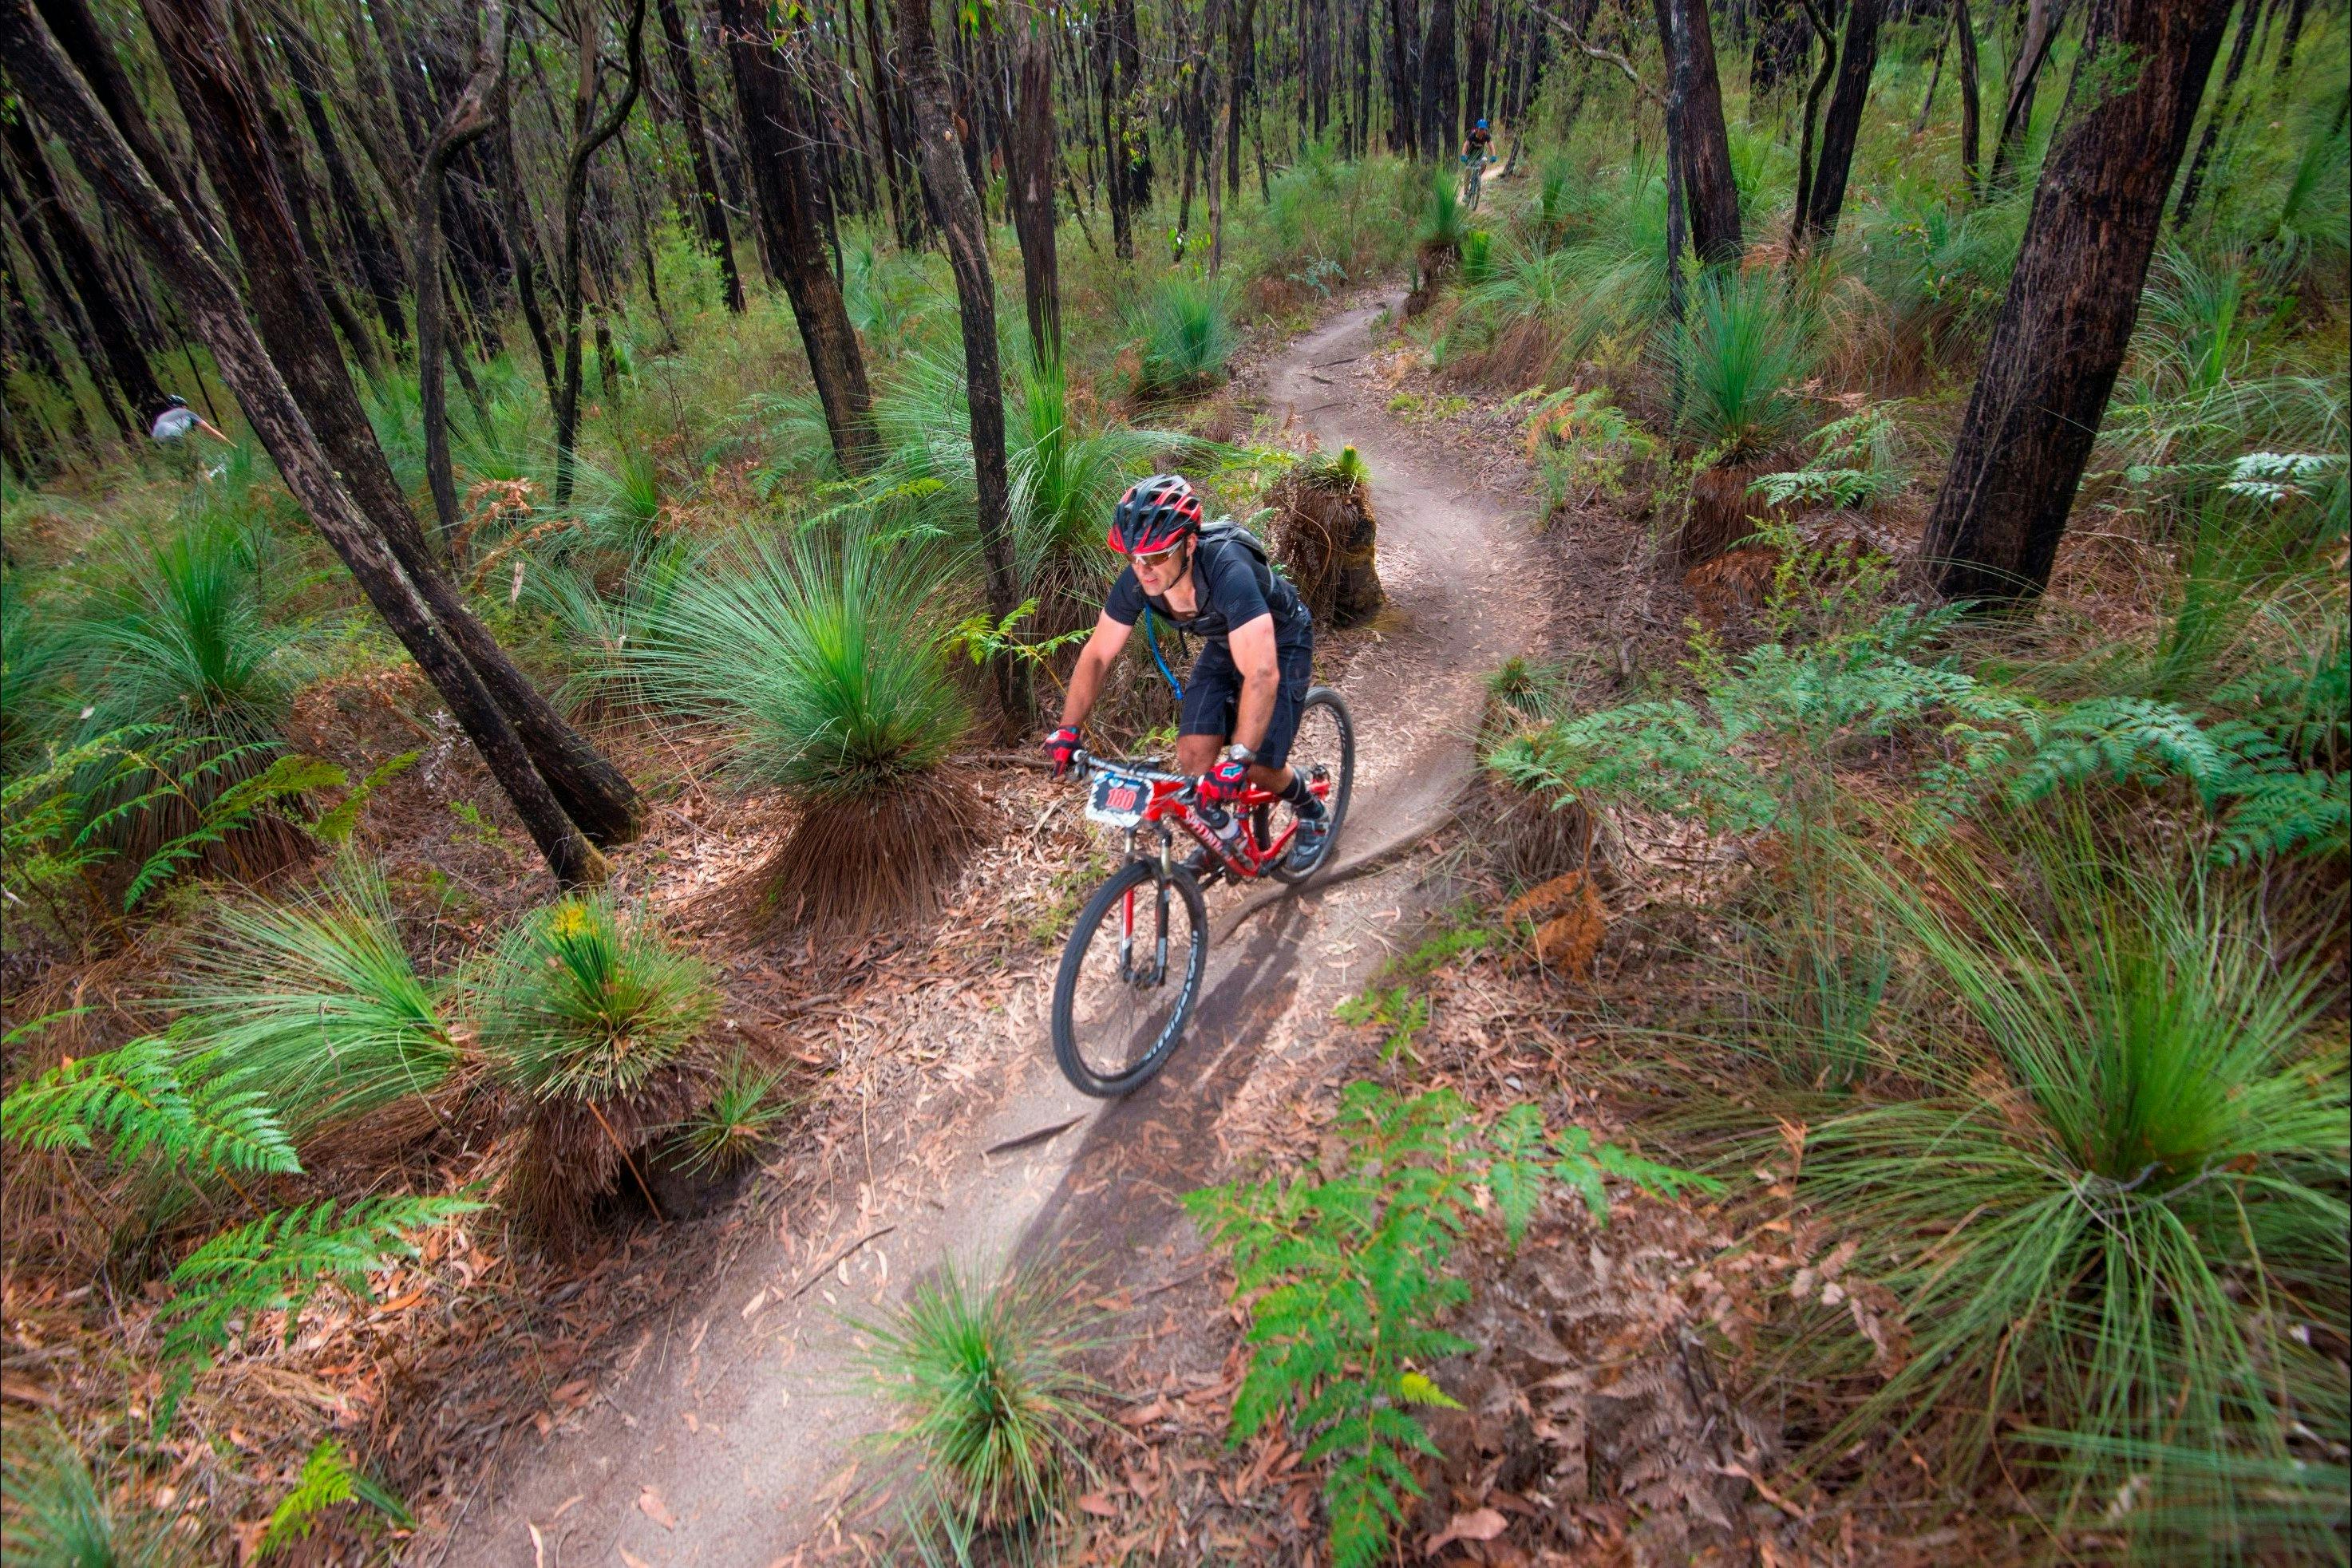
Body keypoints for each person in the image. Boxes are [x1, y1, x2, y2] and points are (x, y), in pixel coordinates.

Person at [1045, 473, 1330, 872]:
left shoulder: (1229, 572)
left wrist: (1240, 756)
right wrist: (1068, 729)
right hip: (1223, 641)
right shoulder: (1139, 581)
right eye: (1133, 557)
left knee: (1260, 765)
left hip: (1280, 640)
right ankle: (1223, 836)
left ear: (1189, 544)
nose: (1143, 569)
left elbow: (1262, 673)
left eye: (1157, 556)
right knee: (1193, 758)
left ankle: (1311, 809)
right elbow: (1096, 655)